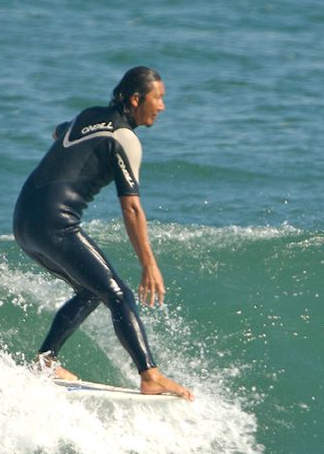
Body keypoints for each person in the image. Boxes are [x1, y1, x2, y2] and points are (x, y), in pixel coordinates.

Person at [12, 66, 193, 400]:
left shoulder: (89, 116)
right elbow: (132, 208)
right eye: (159, 98)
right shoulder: (125, 139)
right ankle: (150, 375)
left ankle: (45, 361)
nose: (163, 106)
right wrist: (148, 264)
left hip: (24, 221)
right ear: (137, 99)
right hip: (56, 222)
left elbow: (59, 133)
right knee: (120, 295)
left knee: (90, 290)